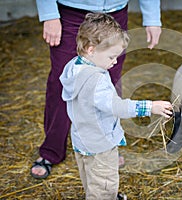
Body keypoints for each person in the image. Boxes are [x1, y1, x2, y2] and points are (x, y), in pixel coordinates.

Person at [31, 0, 162, 179]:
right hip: (71, 12)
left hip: (115, 12)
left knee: (111, 82)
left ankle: (106, 149)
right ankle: (51, 150)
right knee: (63, 81)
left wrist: (152, 17)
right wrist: (49, 14)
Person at [59, 13, 172, 199]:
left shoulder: (74, 67)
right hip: (100, 143)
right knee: (105, 184)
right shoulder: (96, 80)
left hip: (82, 140)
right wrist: (150, 106)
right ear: (91, 49)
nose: (115, 61)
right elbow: (117, 107)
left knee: (92, 179)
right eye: (112, 56)